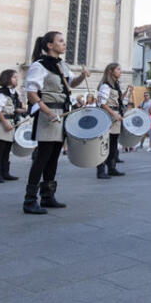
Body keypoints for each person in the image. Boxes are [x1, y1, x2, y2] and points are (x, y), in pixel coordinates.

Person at [22, 31, 89, 213]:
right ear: (50, 45)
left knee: (53, 157)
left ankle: (47, 196)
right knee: (42, 157)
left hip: (62, 113)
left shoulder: (62, 65)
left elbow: (71, 84)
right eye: (60, 41)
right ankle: (29, 200)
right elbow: (31, 93)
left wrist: (82, 76)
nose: (64, 43)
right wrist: (48, 112)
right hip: (48, 114)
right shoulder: (39, 65)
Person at [0, 69, 23, 183]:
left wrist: (24, 110)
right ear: (7, 79)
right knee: (0, 150)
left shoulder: (14, 93)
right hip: (4, 124)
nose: (16, 79)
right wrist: (5, 124)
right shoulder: (3, 93)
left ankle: (5, 172)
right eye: (14, 77)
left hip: (11, 123)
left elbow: (13, 109)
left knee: (7, 150)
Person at [95, 63, 127, 179]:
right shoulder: (105, 85)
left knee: (113, 144)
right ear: (110, 71)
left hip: (115, 116)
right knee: (104, 144)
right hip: (107, 116)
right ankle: (100, 170)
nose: (120, 71)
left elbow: (117, 100)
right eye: (118, 69)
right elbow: (102, 103)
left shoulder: (115, 85)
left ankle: (111, 168)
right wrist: (114, 114)